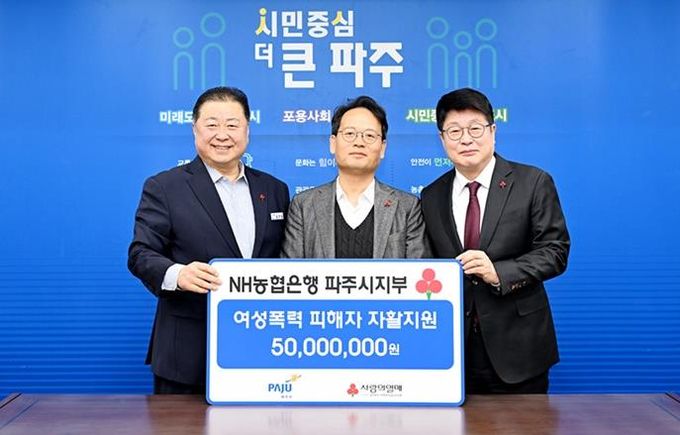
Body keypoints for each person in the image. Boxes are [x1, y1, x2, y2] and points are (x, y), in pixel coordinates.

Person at [128, 86, 289, 394]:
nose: (222, 134)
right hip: (186, 356)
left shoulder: (274, 189)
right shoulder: (165, 187)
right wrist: (178, 274)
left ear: (247, 129)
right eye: (212, 124)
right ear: (195, 129)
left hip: (261, 349)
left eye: (232, 124)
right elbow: (141, 253)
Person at [420, 88, 570, 393]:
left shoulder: (532, 182)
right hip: (454, 351)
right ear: (442, 138)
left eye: (475, 128)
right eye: (454, 131)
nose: (466, 139)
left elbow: (555, 251)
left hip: (519, 348)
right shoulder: (431, 195)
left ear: (493, 131)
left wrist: (499, 272)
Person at [281, 96, 429, 259]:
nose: (359, 142)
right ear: (333, 143)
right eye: (350, 133)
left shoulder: (407, 207)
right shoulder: (303, 206)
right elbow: (290, 271)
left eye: (369, 135)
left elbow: (418, 270)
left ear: (382, 148)